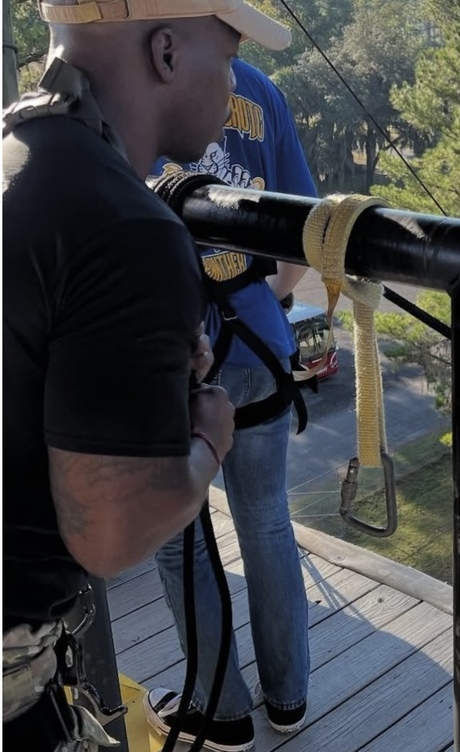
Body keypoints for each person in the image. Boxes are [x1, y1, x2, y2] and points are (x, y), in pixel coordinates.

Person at [2, 1, 290, 750]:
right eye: (226, 60)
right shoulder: (127, 227)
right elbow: (111, 534)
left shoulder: (17, 157)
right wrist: (205, 438)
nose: (233, 89)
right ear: (166, 52)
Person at [143, 58, 317, 752]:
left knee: (176, 540)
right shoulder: (263, 92)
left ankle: (222, 709)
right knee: (268, 523)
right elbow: (299, 237)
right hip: (262, 349)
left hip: (173, 357)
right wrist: (246, 297)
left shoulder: (136, 88)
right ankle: (288, 696)